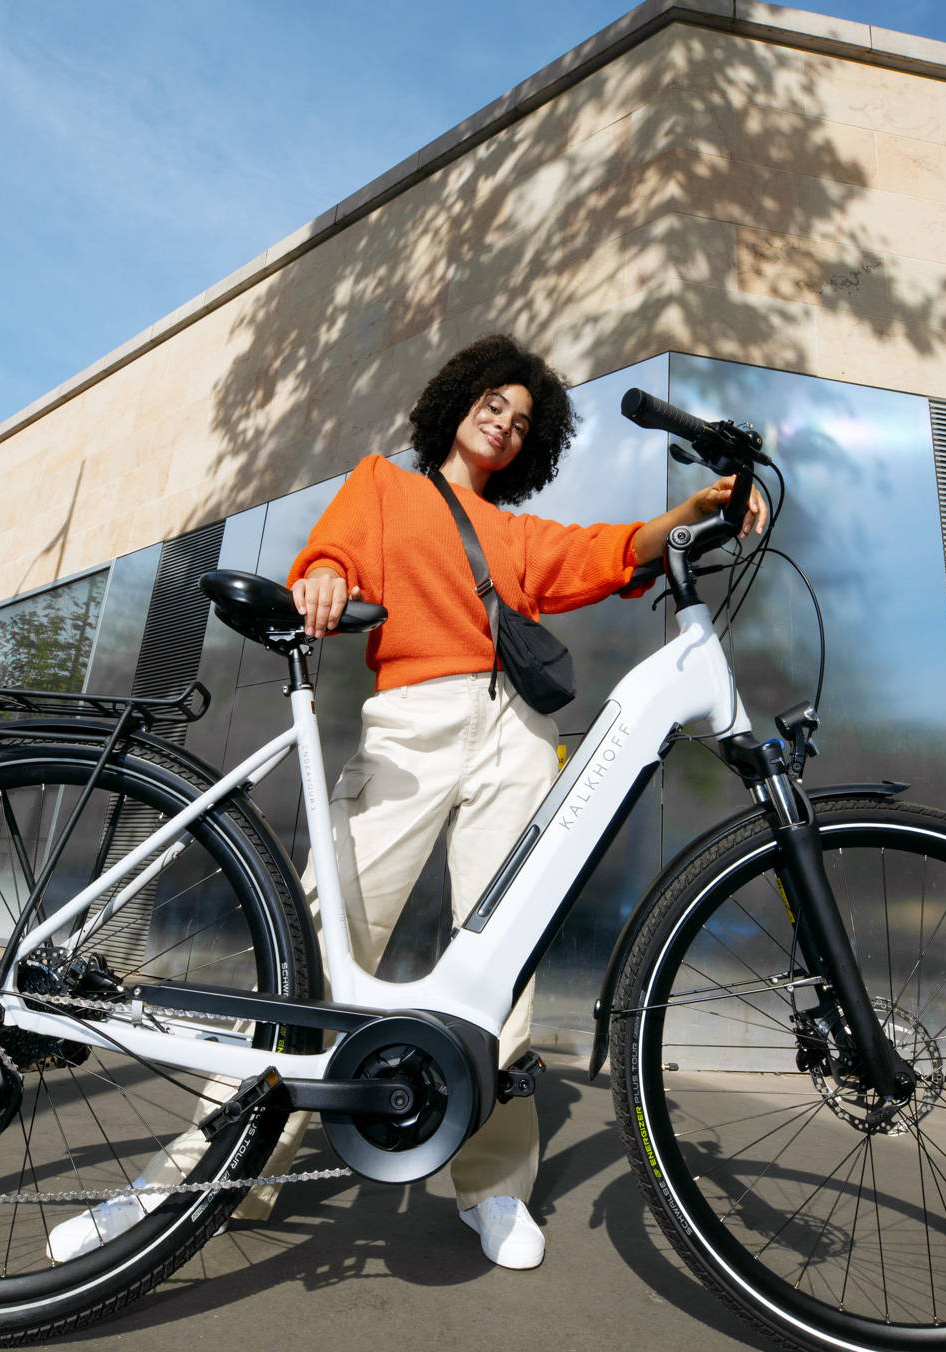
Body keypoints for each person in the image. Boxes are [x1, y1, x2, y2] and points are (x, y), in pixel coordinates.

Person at [47, 334, 762, 1270]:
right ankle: (214, 1170)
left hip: (517, 736)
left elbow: (605, 551)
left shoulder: (516, 533)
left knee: (502, 961)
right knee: (319, 937)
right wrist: (326, 576)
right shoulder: (384, 486)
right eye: (493, 406)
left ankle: (496, 1189)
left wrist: (696, 507)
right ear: (459, 403)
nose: (503, 425)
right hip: (413, 722)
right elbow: (332, 555)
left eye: (522, 422)